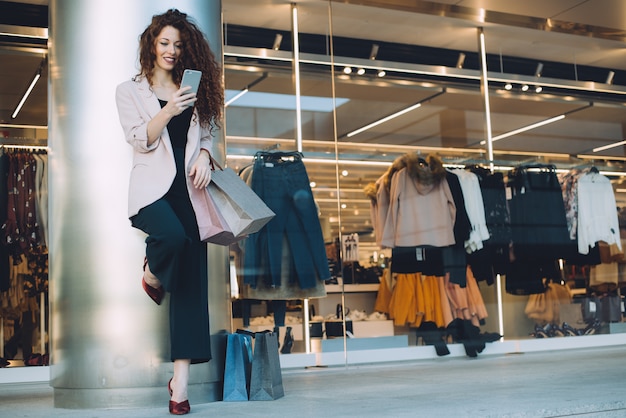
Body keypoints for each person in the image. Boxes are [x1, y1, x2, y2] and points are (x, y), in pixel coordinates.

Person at [115, 9, 223, 416]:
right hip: (151, 192)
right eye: (165, 43)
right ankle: (152, 272)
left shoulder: (193, 89)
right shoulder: (130, 91)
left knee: (193, 283)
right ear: (152, 44)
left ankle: (180, 384)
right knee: (173, 240)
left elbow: (209, 130)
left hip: (191, 192)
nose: (172, 51)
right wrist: (168, 110)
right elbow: (139, 140)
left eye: (179, 45)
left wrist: (207, 156)